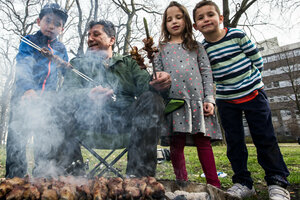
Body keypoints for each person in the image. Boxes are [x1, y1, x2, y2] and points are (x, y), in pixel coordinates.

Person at [193, 1, 290, 199]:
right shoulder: (202, 49)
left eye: (210, 14)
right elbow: (207, 75)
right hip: (227, 99)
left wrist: (252, 82)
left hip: (253, 94)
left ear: (220, 18)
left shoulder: (237, 35)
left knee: (265, 137)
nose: (206, 19)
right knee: (235, 142)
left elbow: (257, 60)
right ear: (195, 26)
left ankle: (277, 181)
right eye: (200, 18)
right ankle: (243, 182)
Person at [60, 20, 171, 177]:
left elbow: (147, 89)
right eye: (89, 35)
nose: (90, 38)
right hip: (86, 122)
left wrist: (160, 84)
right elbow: (66, 94)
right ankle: (73, 181)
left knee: (152, 99)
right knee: (56, 105)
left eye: (96, 34)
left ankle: (138, 181)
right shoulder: (78, 64)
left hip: (125, 122)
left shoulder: (129, 63)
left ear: (112, 40)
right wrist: (87, 95)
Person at [6, 3, 82, 178]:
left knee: (45, 140)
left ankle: (43, 176)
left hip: (47, 100)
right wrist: (28, 89)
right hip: (23, 96)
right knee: (17, 138)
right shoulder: (29, 41)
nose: (51, 26)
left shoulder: (61, 49)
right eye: (48, 20)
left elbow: (66, 74)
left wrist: (67, 67)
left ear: (62, 29)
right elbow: (23, 65)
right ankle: (14, 179)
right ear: (39, 21)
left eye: (57, 24)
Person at [154, 1, 222, 188]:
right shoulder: (160, 49)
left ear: (186, 20)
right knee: (177, 145)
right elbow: (157, 76)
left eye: (178, 17)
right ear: (165, 24)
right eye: (169, 19)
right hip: (175, 103)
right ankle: (181, 182)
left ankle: (214, 184)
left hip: (197, 102)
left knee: (204, 143)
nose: (174, 21)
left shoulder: (197, 47)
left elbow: (207, 73)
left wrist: (210, 99)